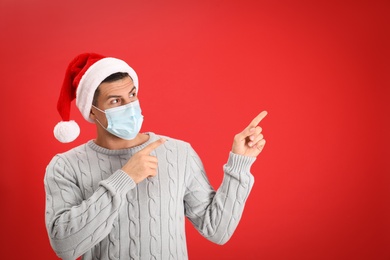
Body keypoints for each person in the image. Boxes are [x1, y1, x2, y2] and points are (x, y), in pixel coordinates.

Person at [44, 53, 267, 260]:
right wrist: (124, 179)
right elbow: (65, 247)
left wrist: (239, 163)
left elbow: (217, 230)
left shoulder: (179, 153)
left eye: (132, 95)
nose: (130, 106)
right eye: (115, 101)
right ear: (92, 111)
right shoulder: (66, 166)